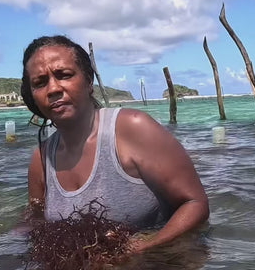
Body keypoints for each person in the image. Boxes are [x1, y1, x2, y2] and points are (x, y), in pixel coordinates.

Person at [21, 35, 209, 253]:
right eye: (40, 83)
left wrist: (143, 247)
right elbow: (35, 219)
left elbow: (195, 203)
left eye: (64, 75)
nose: (53, 88)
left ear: (88, 81)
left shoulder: (133, 129)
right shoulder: (41, 159)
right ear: (32, 96)